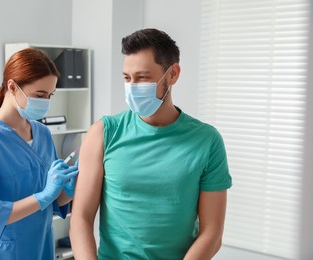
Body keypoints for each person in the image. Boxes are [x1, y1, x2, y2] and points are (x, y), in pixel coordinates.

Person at [70, 28, 232, 259]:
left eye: (143, 77)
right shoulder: (103, 133)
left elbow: (212, 234)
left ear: (173, 74)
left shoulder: (207, 141)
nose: (133, 87)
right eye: (127, 78)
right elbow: (81, 218)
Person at [0, 48, 78, 260]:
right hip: (0, 253)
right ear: (12, 87)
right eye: (40, 95)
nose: (46, 102)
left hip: (40, 248)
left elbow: (50, 203)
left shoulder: (42, 133)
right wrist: (43, 196)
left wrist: (67, 190)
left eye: (50, 95)